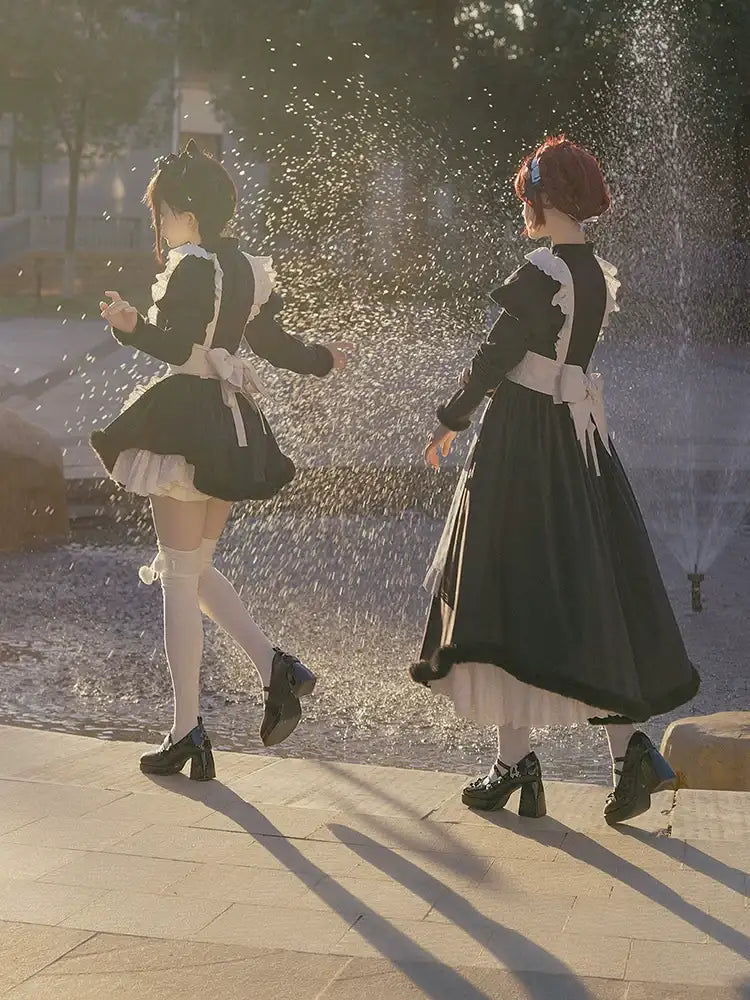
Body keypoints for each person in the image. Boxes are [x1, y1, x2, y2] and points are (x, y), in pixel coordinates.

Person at [410, 135, 699, 826]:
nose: (524, 211)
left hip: (524, 441)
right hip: (578, 442)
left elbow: (496, 354)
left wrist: (450, 419)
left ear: (544, 200)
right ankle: (621, 755)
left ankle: (520, 763)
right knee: (587, 588)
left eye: (527, 198)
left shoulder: (542, 269)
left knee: (505, 587)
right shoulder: (594, 271)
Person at [91, 140, 353, 780]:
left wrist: (128, 325)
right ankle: (274, 669)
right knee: (192, 569)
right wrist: (322, 358)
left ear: (186, 214)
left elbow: (178, 346)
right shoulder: (244, 270)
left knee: (179, 581)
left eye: (162, 214)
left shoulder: (191, 264)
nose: (160, 227)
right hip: (233, 426)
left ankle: (188, 730)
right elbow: (272, 343)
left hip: (188, 422)